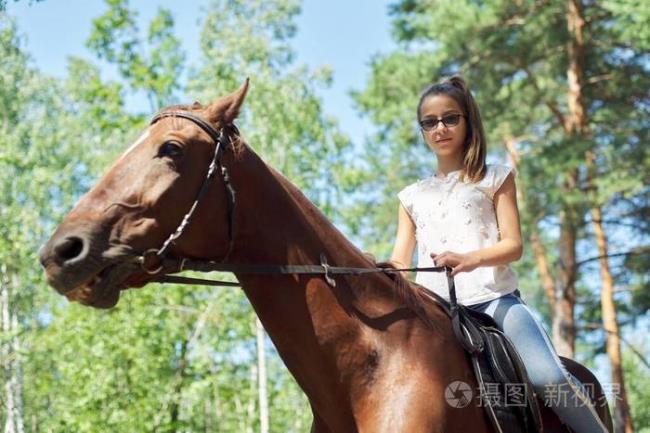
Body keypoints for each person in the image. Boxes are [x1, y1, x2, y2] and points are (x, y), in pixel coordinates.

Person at [389, 75, 608, 433]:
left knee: (547, 376)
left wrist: (468, 259)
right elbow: (400, 261)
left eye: (450, 118)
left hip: (495, 301)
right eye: (429, 122)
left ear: (468, 121)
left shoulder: (495, 177)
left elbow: (514, 246)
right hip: (435, 310)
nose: (439, 128)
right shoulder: (411, 196)